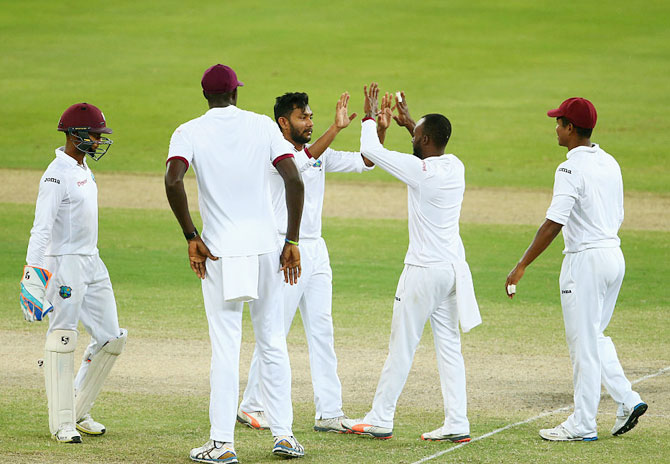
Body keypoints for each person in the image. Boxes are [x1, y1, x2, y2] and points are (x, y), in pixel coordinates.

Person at [165, 64, 309, 463]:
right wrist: (291, 240)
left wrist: (191, 236)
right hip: (266, 248)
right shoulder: (263, 126)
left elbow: (174, 180)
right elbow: (293, 180)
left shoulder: (188, 131)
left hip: (220, 252)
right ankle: (285, 436)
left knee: (226, 348)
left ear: (205, 96)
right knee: (272, 343)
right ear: (236, 94)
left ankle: (222, 443)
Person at [505, 97, 647, 442]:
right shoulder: (609, 161)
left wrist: (521, 264)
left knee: (582, 343)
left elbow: (554, 222)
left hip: (585, 262)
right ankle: (628, 399)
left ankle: (583, 423)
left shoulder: (568, 169)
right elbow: (618, 213)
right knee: (594, 335)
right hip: (614, 255)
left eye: (559, 123)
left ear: (571, 128)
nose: (555, 128)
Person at [342, 92, 481, 441]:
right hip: (451, 272)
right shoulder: (455, 164)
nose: (413, 138)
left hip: (422, 272)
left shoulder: (421, 173)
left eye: (416, 135)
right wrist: (408, 123)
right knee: (449, 347)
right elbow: (426, 150)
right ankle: (457, 422)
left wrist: (371, 117)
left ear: (426, 140)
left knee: (401, 345)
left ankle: (380, 418)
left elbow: (373, 153)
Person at [237, 88, 377, 434]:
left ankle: (329, 413)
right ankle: (251, 406)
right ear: (284, 122)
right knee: (275, 331)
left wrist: (376, 123)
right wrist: (335, 128)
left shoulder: (320, 153)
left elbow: (366, 161)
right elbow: (301, 165)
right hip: (285, 249)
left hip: (316, 249)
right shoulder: (276, 152)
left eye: (312, 116)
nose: (310, 122)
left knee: (322, 330)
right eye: (303, 117)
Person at [20, 103, 127, 443]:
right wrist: (33, 279)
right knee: (63, 335)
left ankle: (78, 408)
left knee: (111, 338)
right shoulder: (56, 175)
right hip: (63, 263)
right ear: (75, 135)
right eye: (95, 135)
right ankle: (62, 421)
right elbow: (40, 230)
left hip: (91, 260)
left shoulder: (83, 168)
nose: (99, 141)